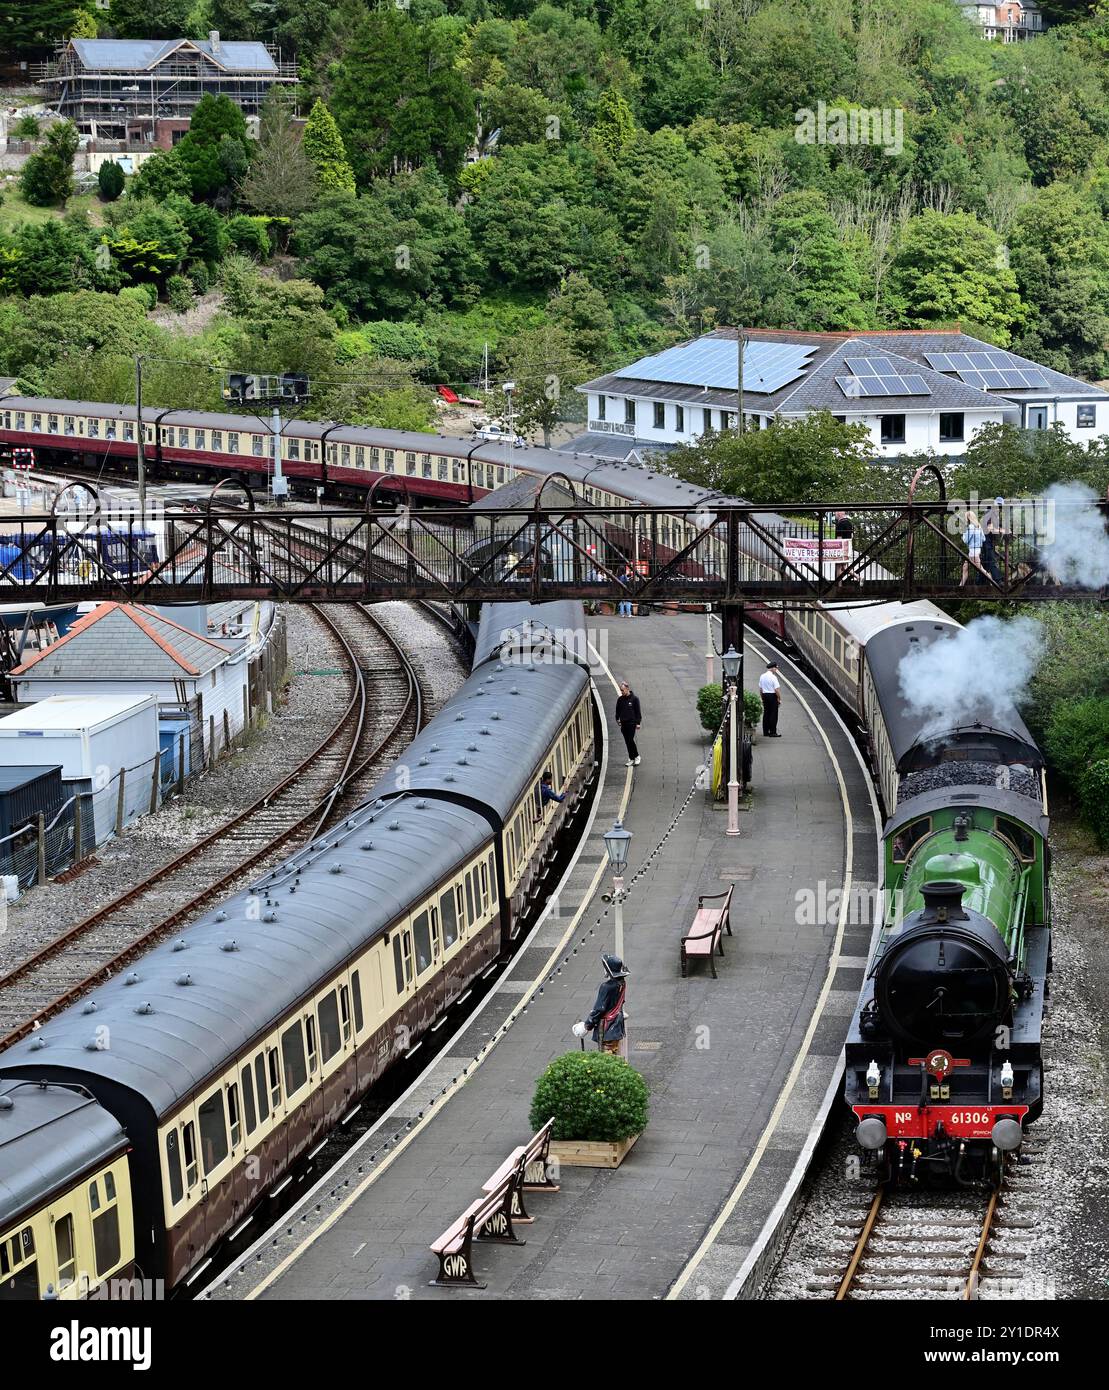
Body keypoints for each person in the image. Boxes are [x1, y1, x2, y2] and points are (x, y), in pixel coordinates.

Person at [572, 953, 628, 1057]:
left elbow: (599, 1009)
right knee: (614, 1051)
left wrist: (587, 1026)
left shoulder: (606, 987)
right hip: (618, 1024)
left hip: (607, 1026)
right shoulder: (622, 982)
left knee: (606, 1054)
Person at [615, 681, 641, 766]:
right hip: (623, 724)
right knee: (627, 742)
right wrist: (617, 719)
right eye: (620, 690)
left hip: (631, 723)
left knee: (630, 740)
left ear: (627, 689)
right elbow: (617, 711)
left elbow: (638, 712)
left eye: (622, 690)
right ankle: (631, 758)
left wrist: (638, 723)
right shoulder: (620, 700)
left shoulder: (635, 699)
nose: (621, 692)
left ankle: (636, 756)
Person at [960, 509, 985, 587]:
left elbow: (966, 540)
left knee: (981, 569)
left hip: (973, 551)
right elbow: (984, 539)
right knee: (965, 567)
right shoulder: (979, 526)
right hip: (976, 550)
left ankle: (992, 581)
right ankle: (960, 585)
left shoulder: (971, 527)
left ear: (968, 518)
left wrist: (963, 535)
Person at [759, 661, 781, 737]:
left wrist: (762, 698)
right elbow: (777, 690)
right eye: (776, 668)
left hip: (765, 695)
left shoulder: (762, 676)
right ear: (773, 668)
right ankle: (772, 732)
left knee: (766, 713)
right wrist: (779, 698)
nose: (776, 670)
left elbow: (761, 689)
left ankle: (765, 732)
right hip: (772, 696)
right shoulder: (773, 677)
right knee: (773, 714)